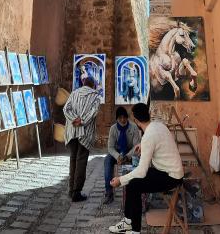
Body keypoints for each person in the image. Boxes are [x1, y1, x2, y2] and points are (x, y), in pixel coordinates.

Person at [109, 103, 184, 234]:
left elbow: (142, 171)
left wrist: (120, 180)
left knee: (133, 185)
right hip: (171, 172)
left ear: (136, 121)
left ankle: (134, 229)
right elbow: (153, 140)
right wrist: (141, 144)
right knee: (131, 182)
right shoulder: (158, 125)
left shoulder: (149, 136)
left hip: (171, 177)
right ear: (148, 115)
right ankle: (127, 222)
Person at [63, 76, 101, 202]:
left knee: (73, 159)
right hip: (85, 133)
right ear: (93, 86)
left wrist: (74, 119)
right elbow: (93, 112)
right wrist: (82, 121)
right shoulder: (95, 96)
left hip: (72, 131)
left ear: (84, 84)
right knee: (81, 161)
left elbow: (66, 109)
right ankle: (76, 192)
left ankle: (70, 189)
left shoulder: (74, 93)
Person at [103, 106, 140, 205]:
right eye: (120, 118)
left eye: (124, 117)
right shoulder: (113, 129)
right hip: (117, 152)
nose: (123, 120)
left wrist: (128, 156)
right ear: (117, 119)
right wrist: (118, 156)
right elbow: (110, 147)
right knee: (107, 162)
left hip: (130, 152)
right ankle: (109, 192)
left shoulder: (134, 127)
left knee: (139, 163)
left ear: (127, 117)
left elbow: (137, 145)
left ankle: (134, 192)